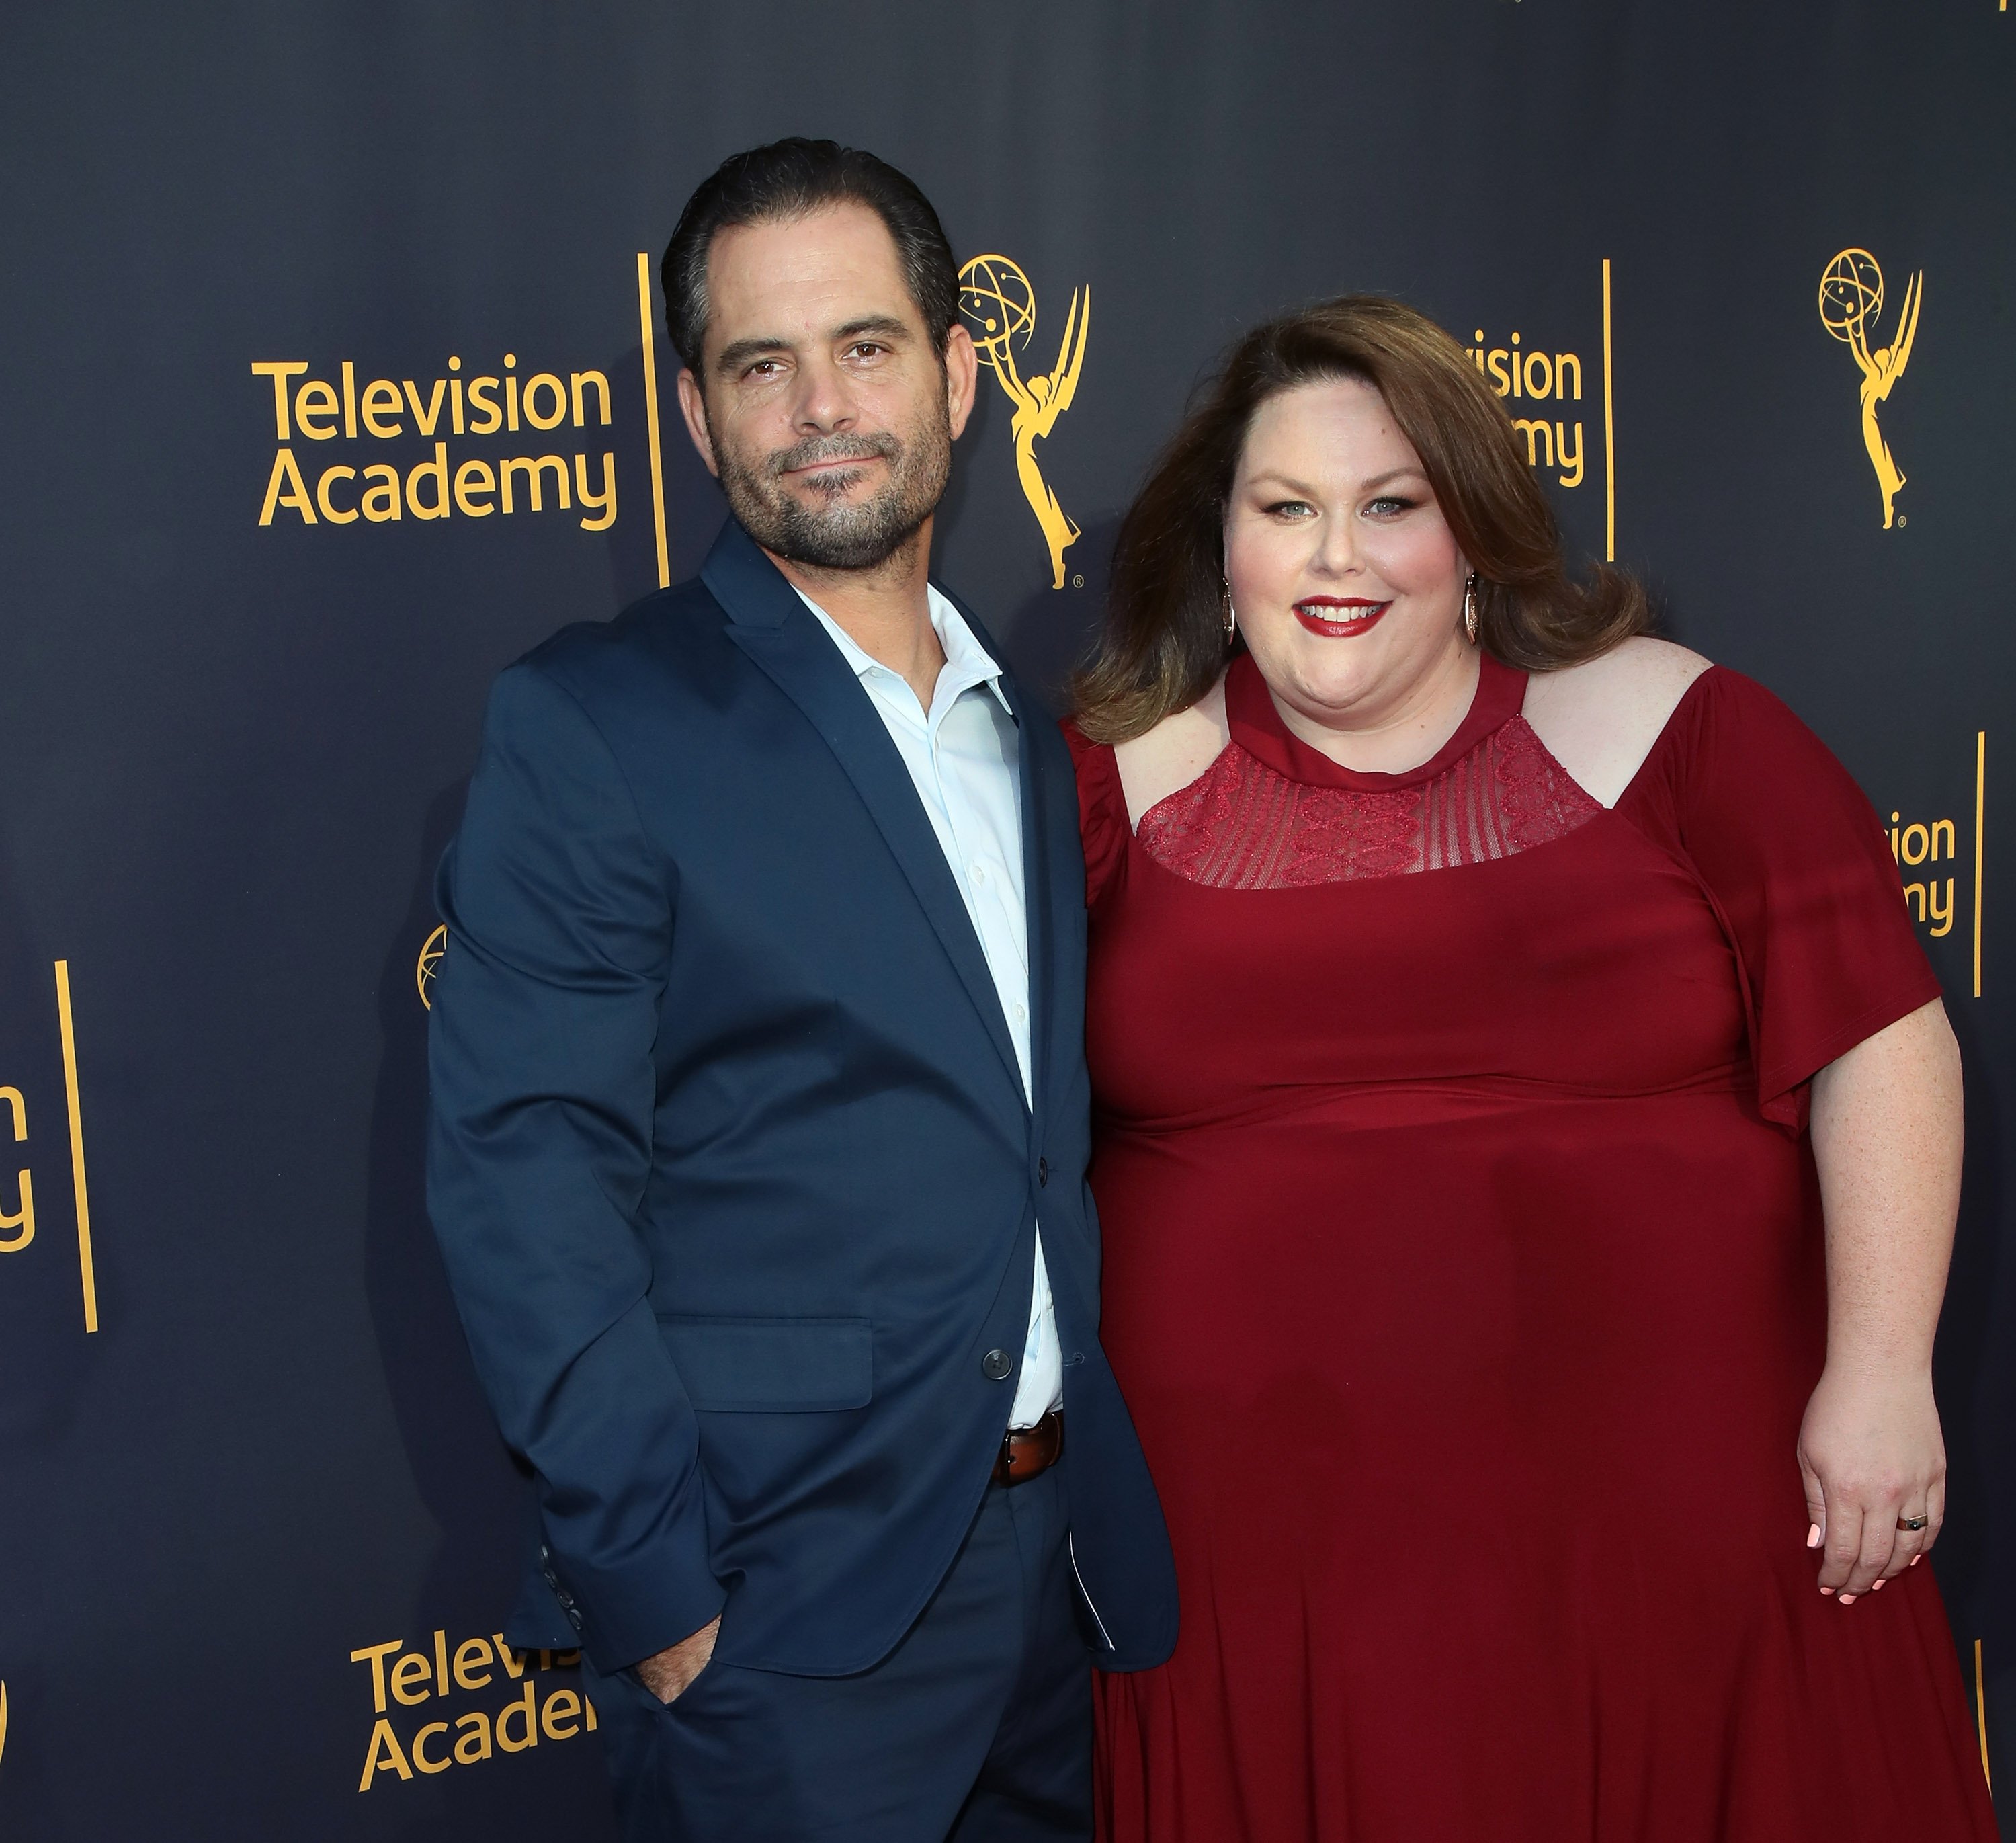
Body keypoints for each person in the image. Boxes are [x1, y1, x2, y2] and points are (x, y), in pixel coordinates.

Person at [1065, 296, 1996, 1841]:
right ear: (1220, 548)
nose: (1335, 560)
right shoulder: (1097, 779)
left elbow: (1884, 1038)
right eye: (1285, 509)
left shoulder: (1686, 728)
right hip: (1266, 1589)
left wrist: (1886, 1373)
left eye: (1392, 507)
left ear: (1478, 534)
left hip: (1693, 1560)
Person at [427, 138, 1175, 1843]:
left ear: (959, 377)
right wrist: (663, 1600)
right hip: (784, 1620)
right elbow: (526, 1186)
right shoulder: (597, 726)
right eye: (760, 365)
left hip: (1056, 1587)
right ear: (699, 417)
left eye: (865, 347)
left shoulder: (1035, 728)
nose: (818, 407)